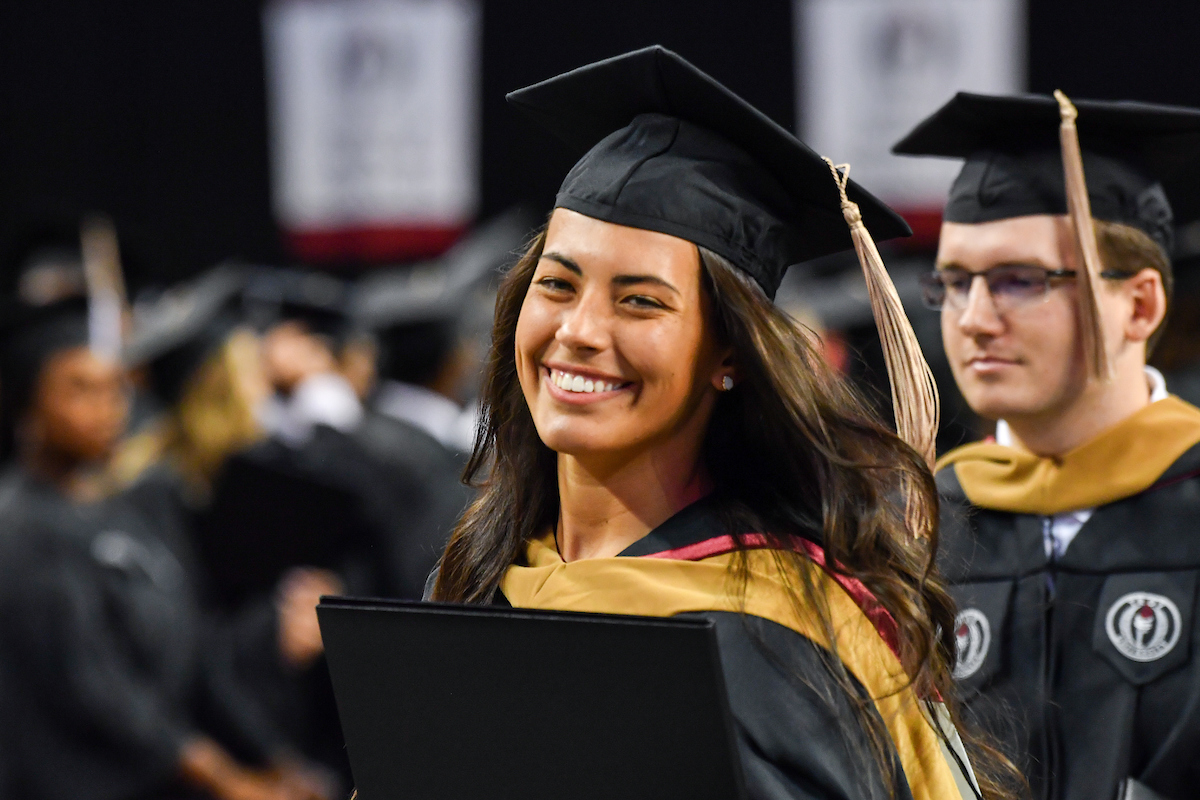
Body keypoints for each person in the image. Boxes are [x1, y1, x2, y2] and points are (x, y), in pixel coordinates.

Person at [426, 47, 1018, 800]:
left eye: (639, 301)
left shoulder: (777, 635)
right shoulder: (480, 574)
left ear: (728, 355)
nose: (578, 329)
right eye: (558, 285)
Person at [894, 91, 1200, 800]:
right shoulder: (915, 526)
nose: (973, 319)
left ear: (1142, 305)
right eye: (955, 282)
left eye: (1017, 281)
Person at [0, 300, 329, 800]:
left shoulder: (132, 506)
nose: (108, 407)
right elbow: (96, 690)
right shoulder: (21, 530)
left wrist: (274, 757)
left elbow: (197, 650)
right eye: (79, 389)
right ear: (27, 403)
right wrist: (227, 781)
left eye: (116, 387)